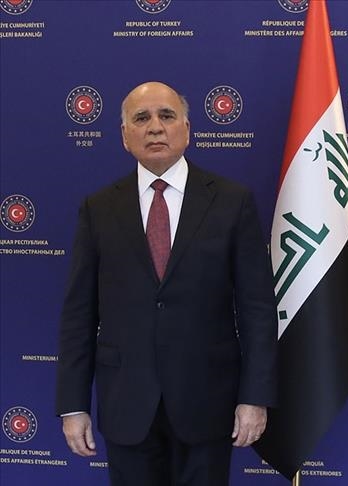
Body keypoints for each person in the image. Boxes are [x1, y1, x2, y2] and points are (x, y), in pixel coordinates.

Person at [55, 81, 277, 485]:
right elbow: (78, 315)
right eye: (141, 118)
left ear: (187, 130)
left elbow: (257, 309)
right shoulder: (99, 209)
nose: (155, 127)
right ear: (125, 136)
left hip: (207, 401)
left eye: (167, 116)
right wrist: (73, 404)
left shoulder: (232, 202)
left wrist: (254, 397)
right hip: (126, 403)